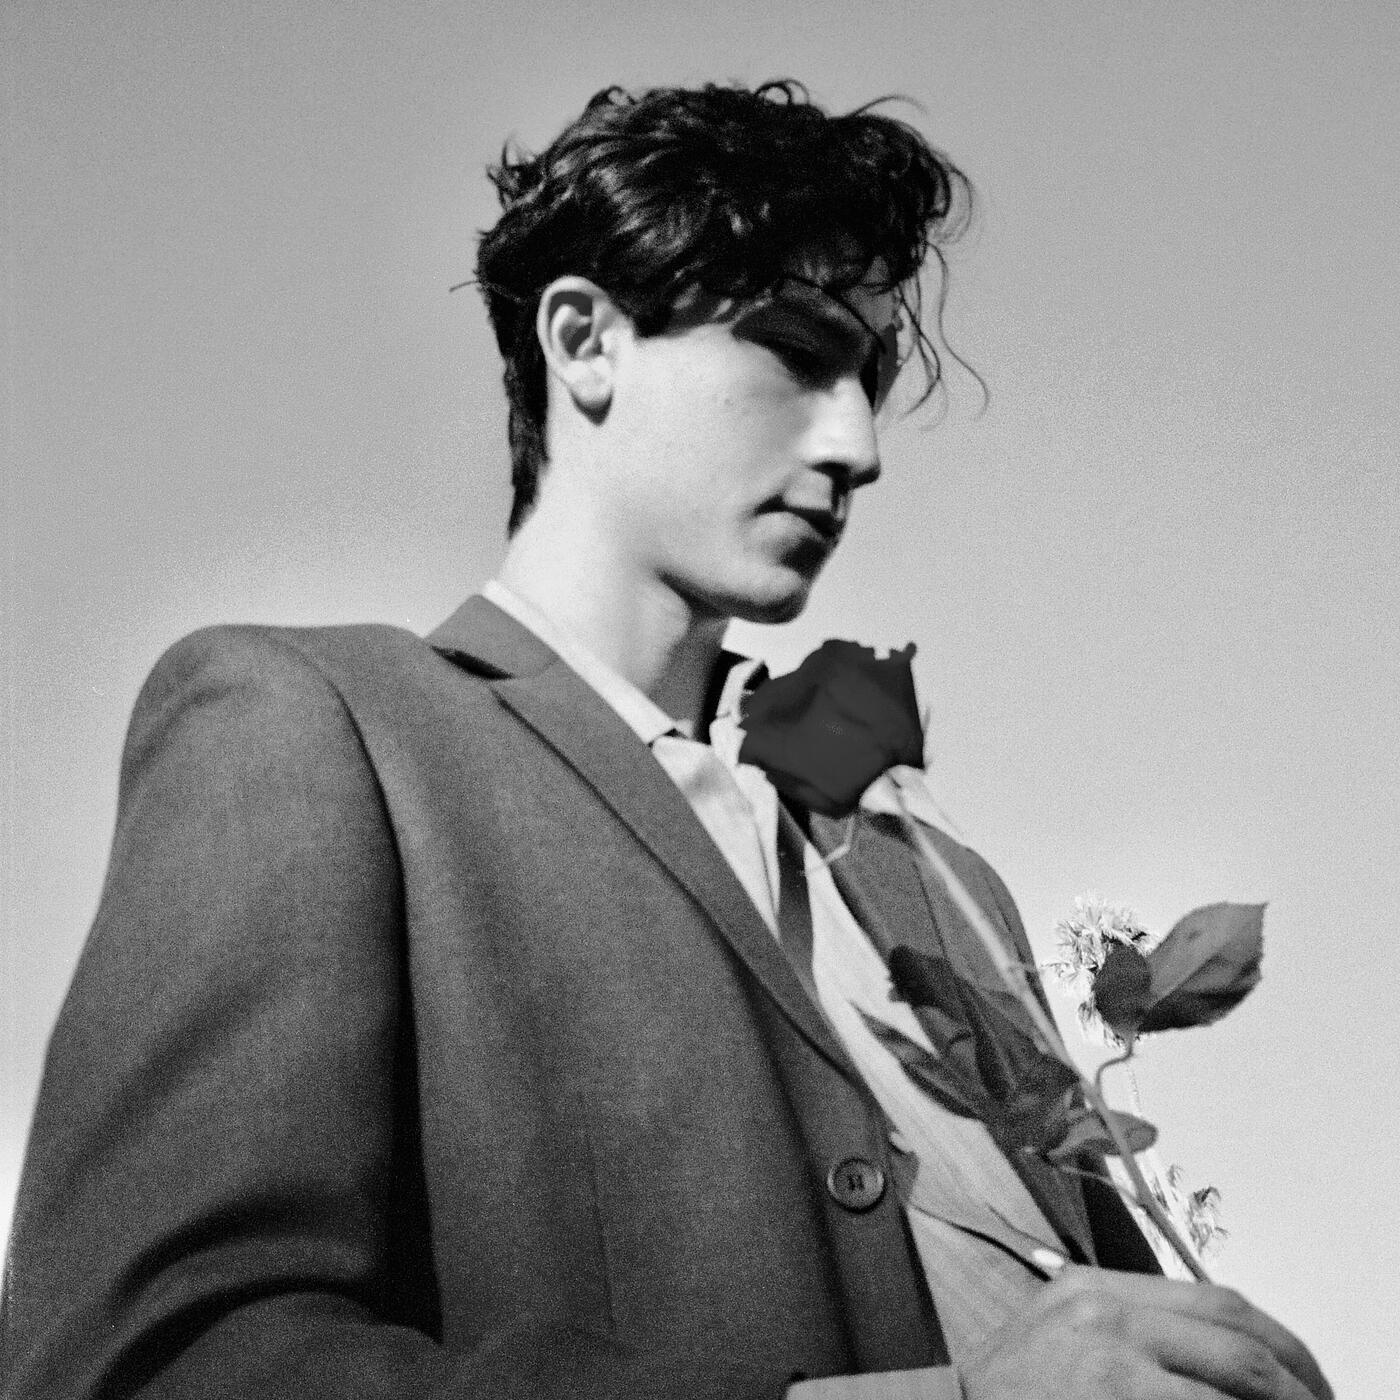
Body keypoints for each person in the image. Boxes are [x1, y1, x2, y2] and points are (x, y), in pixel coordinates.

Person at [2, 82, 1330, 1400]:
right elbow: (145, 1363)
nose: (860, 442)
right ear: (585, 342)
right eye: (799, 351)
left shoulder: (936, 881)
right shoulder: (318, 726)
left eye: (871, 375)